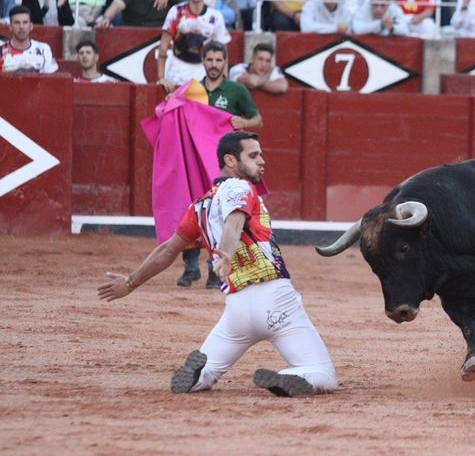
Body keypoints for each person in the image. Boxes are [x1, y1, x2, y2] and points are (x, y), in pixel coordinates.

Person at [97, 131, 338, 397]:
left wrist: (130, 282)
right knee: (322, 372)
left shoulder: (199, 206)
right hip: (275, 299)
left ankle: (200, 376)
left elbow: (167, 250)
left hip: (236, 310)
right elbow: (235, 218)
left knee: (208, 371)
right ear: (230, 161)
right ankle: (288, 376)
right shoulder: (239, 187)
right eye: (253, 155)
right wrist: (225, 252)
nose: (262, 161)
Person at [176, 41, 264, 289]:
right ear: (203, 61)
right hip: (195, 160)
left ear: (225, 62)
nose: (213, 65)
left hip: (223, 167)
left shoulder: (236, 90)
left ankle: (214, 270)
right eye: (209, 60)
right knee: (192, 208)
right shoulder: (192, 90)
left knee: (217, 215)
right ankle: (190, 267)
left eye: (218, 60)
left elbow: (258, 121)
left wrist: (243, 122)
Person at [156, 0, 232, 93]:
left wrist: (224, 81)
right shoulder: (176, 12)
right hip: (177, 68)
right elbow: (163, 46)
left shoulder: (215, 16)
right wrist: (161, 77)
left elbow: (223, 51)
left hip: (203, 70)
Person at [0, 5, 58, 73]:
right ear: (10, 27)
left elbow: (52, 79)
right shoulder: (1, 49)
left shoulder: (44, 49)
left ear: (31, 26)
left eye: (25, 22)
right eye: (17, 23)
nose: (21, 27)